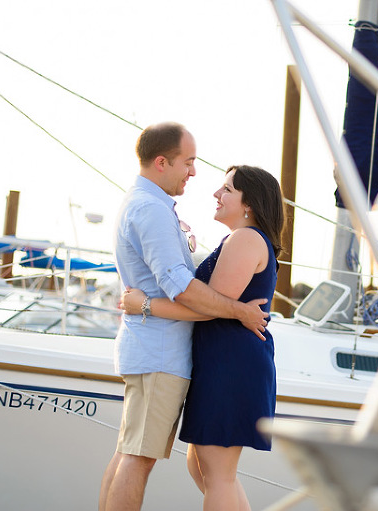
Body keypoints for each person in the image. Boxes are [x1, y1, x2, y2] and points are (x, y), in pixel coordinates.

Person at [99, 123, 270, 511]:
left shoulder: (148, 206)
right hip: (160, 351)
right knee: (137, 458)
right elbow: (178, 284)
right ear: (162, 162)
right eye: (188, 162)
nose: (193, 172)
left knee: (130, 452)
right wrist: (238, 311)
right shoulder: (152, 210)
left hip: (152, 347)